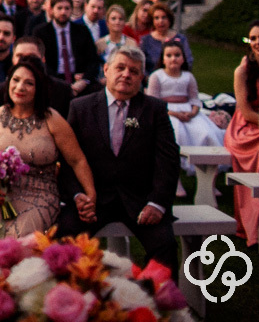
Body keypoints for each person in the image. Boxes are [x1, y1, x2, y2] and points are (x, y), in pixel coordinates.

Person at [0, 56, 95, 260]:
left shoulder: (52, 120)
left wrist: (91, 195)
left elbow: (77, 160)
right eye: (16, 80)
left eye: (29, 83)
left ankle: (16, 280)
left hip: (38, 194)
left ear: (39, 89)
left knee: (22, 232)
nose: (20, 87)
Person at [57, 47, 180, 269]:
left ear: (141, 78)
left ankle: (158, 291)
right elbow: (67, 160)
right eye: (120, 68)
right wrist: (77, 196)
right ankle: (70, 289)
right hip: (93, 199)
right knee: (62, 240)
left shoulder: (155, 109)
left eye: (134, 71)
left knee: (166, 246)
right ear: (106, 70)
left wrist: (157, 203)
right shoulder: (81, 107)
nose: (126, 74)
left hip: (140, 200)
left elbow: (168, 160)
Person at [146, 39, 225, 176]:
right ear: (163, 59)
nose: (173, 59)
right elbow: (153, 101)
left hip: (188, 111)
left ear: (183, 58)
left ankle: (207, 170)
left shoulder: (188, 76)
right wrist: (174, 114)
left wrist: (192, 112)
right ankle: (176, 171)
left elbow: (194, 98)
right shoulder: (156, 76)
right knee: (177, 134)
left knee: (206, 133)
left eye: (177, 55)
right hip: (167, 112)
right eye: (169, 55)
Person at [225, 20, 259, 248]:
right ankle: (257, 227)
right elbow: (245, 111)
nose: (258, 42)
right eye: (253, 38)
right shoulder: (243, 71)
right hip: (245, 127)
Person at [0, 37, 73, 119]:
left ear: (43, 59)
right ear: (13, 59)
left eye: (32, 56)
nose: (25, 60)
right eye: (20, 56)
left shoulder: (63, 90)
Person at [35, 0, 97, 95]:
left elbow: (93, 60)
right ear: (52, 9)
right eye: (59, 8)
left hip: (78, 79)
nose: (63, 12)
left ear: (72, 10)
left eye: (67, 8)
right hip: (52, 79)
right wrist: (58, 82)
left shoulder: (82, 31)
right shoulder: (41, 32)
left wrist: (84, 80)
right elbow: (39, 62)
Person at [139, 2, 192, 75]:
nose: (161, 21)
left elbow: (189, 61)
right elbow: (140, 65)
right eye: (156, 18)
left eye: (164, 17)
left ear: (169, 19)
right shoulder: (145, 40)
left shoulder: (181, 39)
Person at [96, 4, 138, 72]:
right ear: (107, 22)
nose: (117, 22)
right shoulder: (99, 44)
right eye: (113, 19)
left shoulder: (132, 43)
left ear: (124, 22)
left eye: (120, 19)